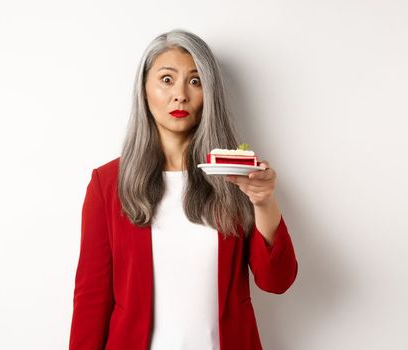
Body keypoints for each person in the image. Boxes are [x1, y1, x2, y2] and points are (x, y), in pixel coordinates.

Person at [68, 29, 298, 350]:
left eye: (195, 81)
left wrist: (263, 202)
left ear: (209, 93)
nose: (180, 95)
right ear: (144, 88)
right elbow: (92, 298)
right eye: (166, 79)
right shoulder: (108, 183)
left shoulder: (237, 175)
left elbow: (277, 281)